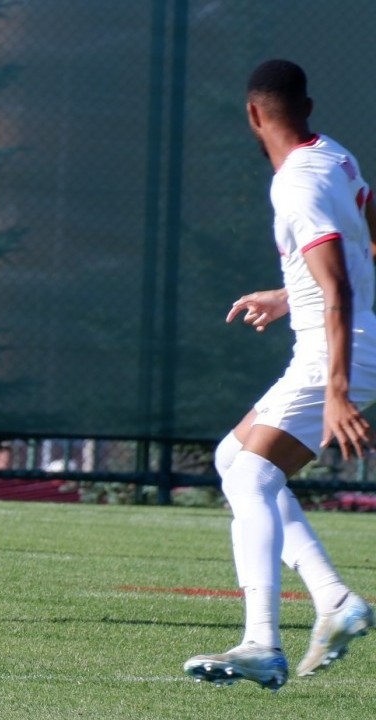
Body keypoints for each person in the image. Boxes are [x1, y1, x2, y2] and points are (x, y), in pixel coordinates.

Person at [183, 59, 376, 691]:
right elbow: (363, 246)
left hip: (334, 352)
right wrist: (288, 292)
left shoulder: (293, 185)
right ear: (308, 107)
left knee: (251, 476)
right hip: (335, 341)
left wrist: (339, 393)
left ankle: (263, 643)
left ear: (252, 115)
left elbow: (342, 285)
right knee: (230, 456)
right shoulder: (337, 158)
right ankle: (333, 598)